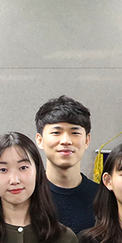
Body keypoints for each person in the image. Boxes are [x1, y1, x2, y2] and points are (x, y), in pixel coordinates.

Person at [34, 96, 97, 234]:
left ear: (87, 140)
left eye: (75, 133)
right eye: (56, 132)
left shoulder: (102, 198)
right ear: (40, 140)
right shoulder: (28, 194)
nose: (66, 141)